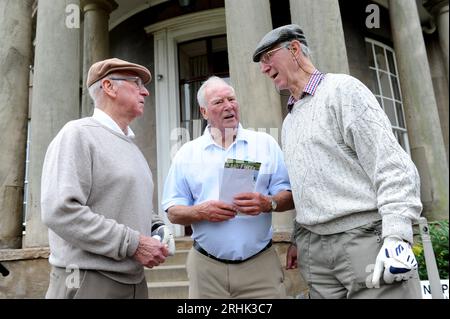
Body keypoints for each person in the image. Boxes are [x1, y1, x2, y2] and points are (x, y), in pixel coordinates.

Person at [253, 25, 422, 299]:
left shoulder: (343, 91)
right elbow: (306, 185)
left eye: (268, 57)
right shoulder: (290, 120)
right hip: (315, 252)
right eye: (261, 62)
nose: (263, 68)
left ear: (294, 49)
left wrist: (398, 235)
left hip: (363, 239)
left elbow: (392, 165)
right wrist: (298, 237)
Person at [41, 58, 175, 299]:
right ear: (109, 87)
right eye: (136, 83)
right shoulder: (77, 134)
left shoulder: (131, 145)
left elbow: (128, 202)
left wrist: (156, 226)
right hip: (88, 282)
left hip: (134, 282)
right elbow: (59, 210)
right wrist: (134, 244)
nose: (145, 91)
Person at [161, 76, 295, 298]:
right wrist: (200, 212)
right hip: (206, 269)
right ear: (204, 112)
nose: (228, 106)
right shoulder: (187, 153)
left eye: (231, 99)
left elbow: (289, 196)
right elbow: (173, 212)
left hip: (260, 266)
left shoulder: (265, 144)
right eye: (218, 102)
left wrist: (267, 203)